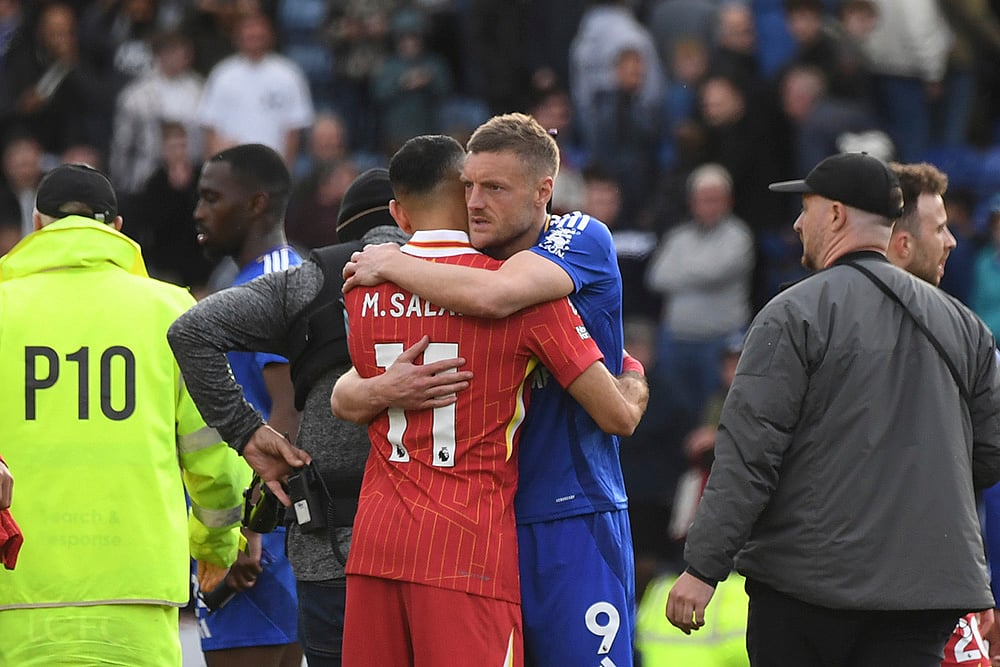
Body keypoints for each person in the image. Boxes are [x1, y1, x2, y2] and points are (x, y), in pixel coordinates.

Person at [665, 152, 1000, 666]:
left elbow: (749, 456)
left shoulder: (791, 314)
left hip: (807, 589)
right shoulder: (966, 325)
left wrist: (702, 568)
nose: (798, 224)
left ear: (837, 215)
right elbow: (990, 454)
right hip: (924, 597)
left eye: (807, 208)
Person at [341, 113, 647, 666]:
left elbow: (497, 297)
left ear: (543, 192)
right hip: (489, 523)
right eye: (469, 187)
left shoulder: (575, 239)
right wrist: (385, 387)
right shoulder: (476, 267)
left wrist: (392, 260)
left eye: (495, 189)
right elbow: (345, 391)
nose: (475, 203)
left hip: (571, 512)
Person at [168, 167, 415, 666]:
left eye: (212, 197)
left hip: (326, 537)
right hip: (437, 542)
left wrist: (247, 447)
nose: (199, 212)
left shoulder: (309, 277)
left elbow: (280, 399)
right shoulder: (467, 276)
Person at [0, 163, 245, 665]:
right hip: (138, 597)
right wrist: (216, 547)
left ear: (37, 223)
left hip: (15, 595)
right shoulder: (172, 311)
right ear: (116, 227)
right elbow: (215, 455)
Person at [189, 143, 303, 667]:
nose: (199, 212)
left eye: (212, 198)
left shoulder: (273, 283)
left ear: (256, 204)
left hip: (260, 543)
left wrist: (248, 530)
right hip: (262, 533)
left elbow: (291, 410)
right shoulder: (260, 277)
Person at [884, 161, 994, 667]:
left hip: (940, 584)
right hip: (867, 594)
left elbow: (978, 470)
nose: (952, 241)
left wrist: (978, 582)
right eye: (941, 228)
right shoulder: (822, 326)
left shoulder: (965, 336)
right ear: (902, 242)